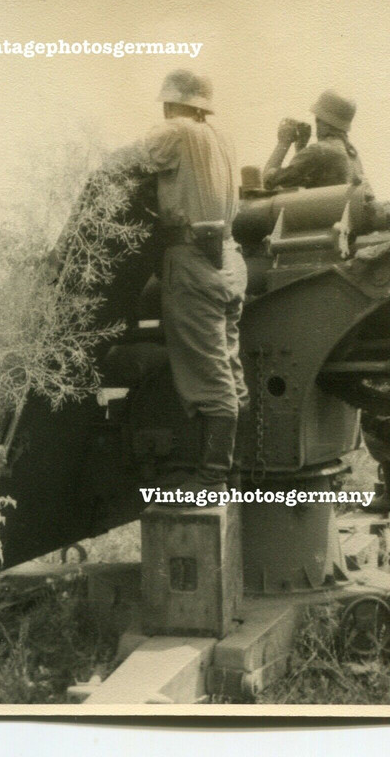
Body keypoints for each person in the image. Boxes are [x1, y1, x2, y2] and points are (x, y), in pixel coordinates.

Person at [263, 89, 390, 518]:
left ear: (322, 121)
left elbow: (271, 181)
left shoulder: (321, 151)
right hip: (346, 265)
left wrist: (285, 141)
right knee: (373, 399)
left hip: (318, 265)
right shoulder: (348, 152)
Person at [139, 69, 249, 496]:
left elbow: (134, 160)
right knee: (229, 367)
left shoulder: (175, 132)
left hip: (191, 261)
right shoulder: (221, 138)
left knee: (209, 375)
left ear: (170, 104)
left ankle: (211, 479)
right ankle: (230, 471)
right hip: (229, 260)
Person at [263, 89, 373, 198]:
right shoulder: (352, 154)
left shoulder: (318, 151)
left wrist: (284, 142)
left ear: (320, 120)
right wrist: (301, 146)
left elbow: (267, 183)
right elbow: (307, 182)